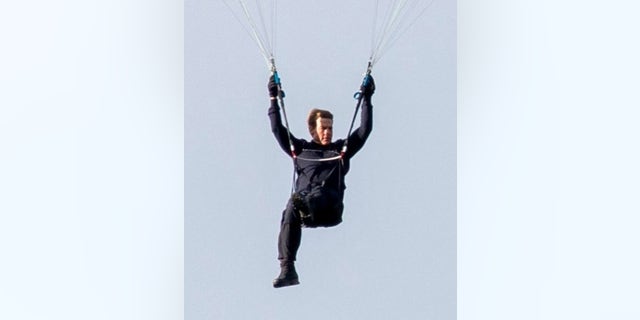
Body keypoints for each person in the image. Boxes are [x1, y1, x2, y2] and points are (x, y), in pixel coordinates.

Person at [267, 74, 375, 288]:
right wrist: (273, 99)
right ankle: (287, 269)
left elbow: (364, 131)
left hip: (330, 207)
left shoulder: (340, 150)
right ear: (312, 129)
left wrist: (367, 99)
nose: (327, 132)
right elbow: (277, 130)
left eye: (330, 128)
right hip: (306, 207)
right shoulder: (301, 150)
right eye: (323, 128)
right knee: (291, 208)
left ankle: (305, 207)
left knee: (311, 196)